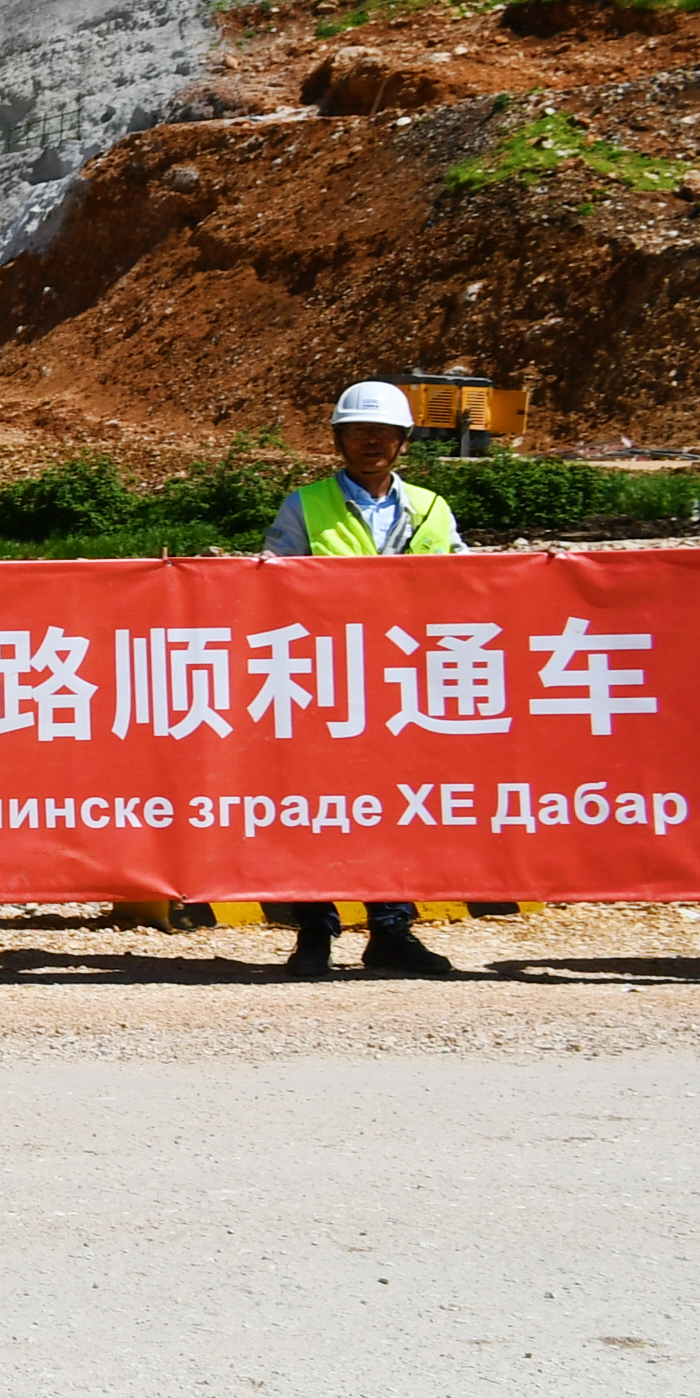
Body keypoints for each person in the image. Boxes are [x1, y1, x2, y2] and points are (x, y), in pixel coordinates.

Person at [262, 381, 464, 978]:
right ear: (339, 440)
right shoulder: (305, 506)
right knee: (314, 807)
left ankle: (391, 931)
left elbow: (467, 586)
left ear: (403, 442)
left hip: (404, 681)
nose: (370, 442)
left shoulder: (432, 509)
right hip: (325, 680)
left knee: (397, 805)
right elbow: (272, 587)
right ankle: (314, 934)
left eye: (383, 434)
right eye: (358, 432)